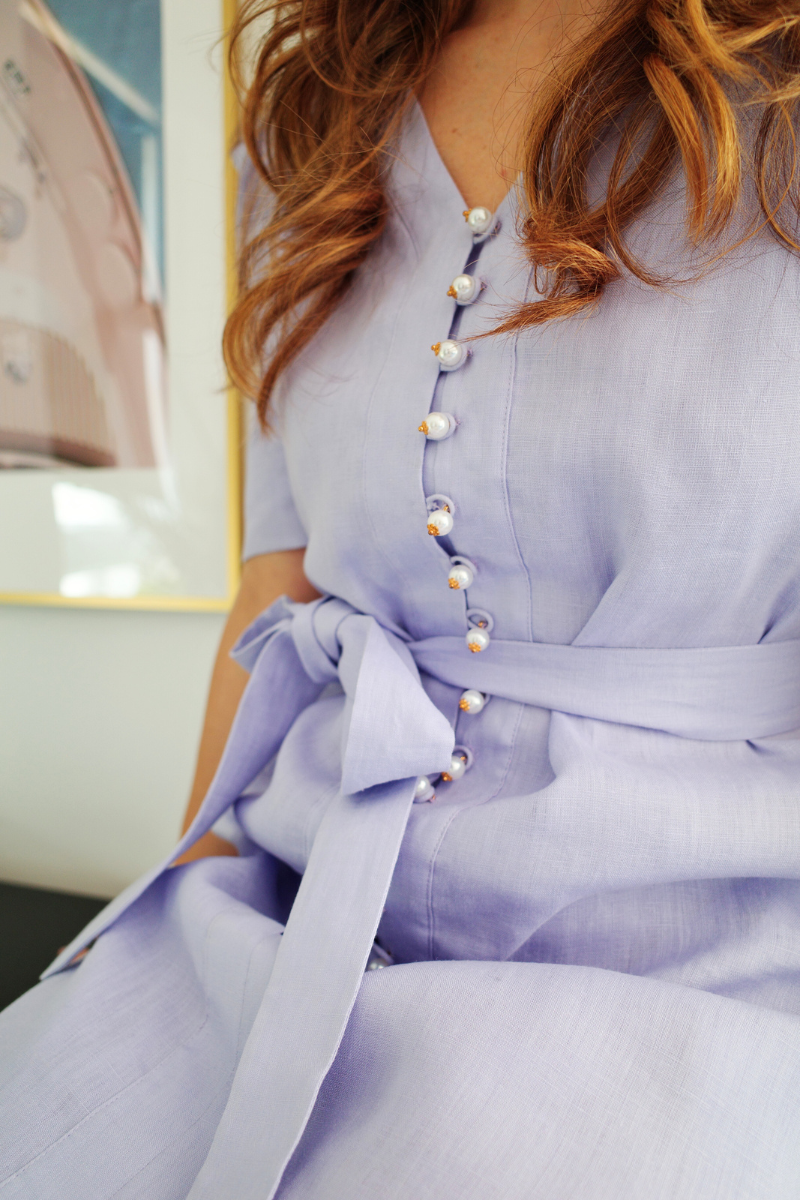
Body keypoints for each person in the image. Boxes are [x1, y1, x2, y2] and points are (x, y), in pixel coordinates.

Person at [2, 0, 800, 1195]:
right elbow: (277, 579)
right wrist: (173, 894)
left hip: (703, 979)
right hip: (284, 911)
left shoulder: (773, 91)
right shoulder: (310, 117)